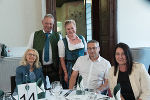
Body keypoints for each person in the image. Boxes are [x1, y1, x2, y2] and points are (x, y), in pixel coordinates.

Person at [28, 14, 61, 83]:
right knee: (39, 88)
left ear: (53, 24)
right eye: (46, 23)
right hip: (38, 66)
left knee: (55, 87)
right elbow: (29, 52)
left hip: (53, 67)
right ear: (42, 22)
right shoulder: (34, 35)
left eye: (50, 24)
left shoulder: (58, 36)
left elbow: (61, 54)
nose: (48, 26)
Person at [58, 19, 87, 89]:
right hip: (70, 68)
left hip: (82, 67)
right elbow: (62, 59)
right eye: (68, 29)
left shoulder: (82, 38)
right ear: (65, 30)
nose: (70, 30)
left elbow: (86, 53)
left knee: (83, 86)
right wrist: (65, 73)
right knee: (72, 88)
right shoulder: (62, 42)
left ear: (75, 28)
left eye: (72, 28)